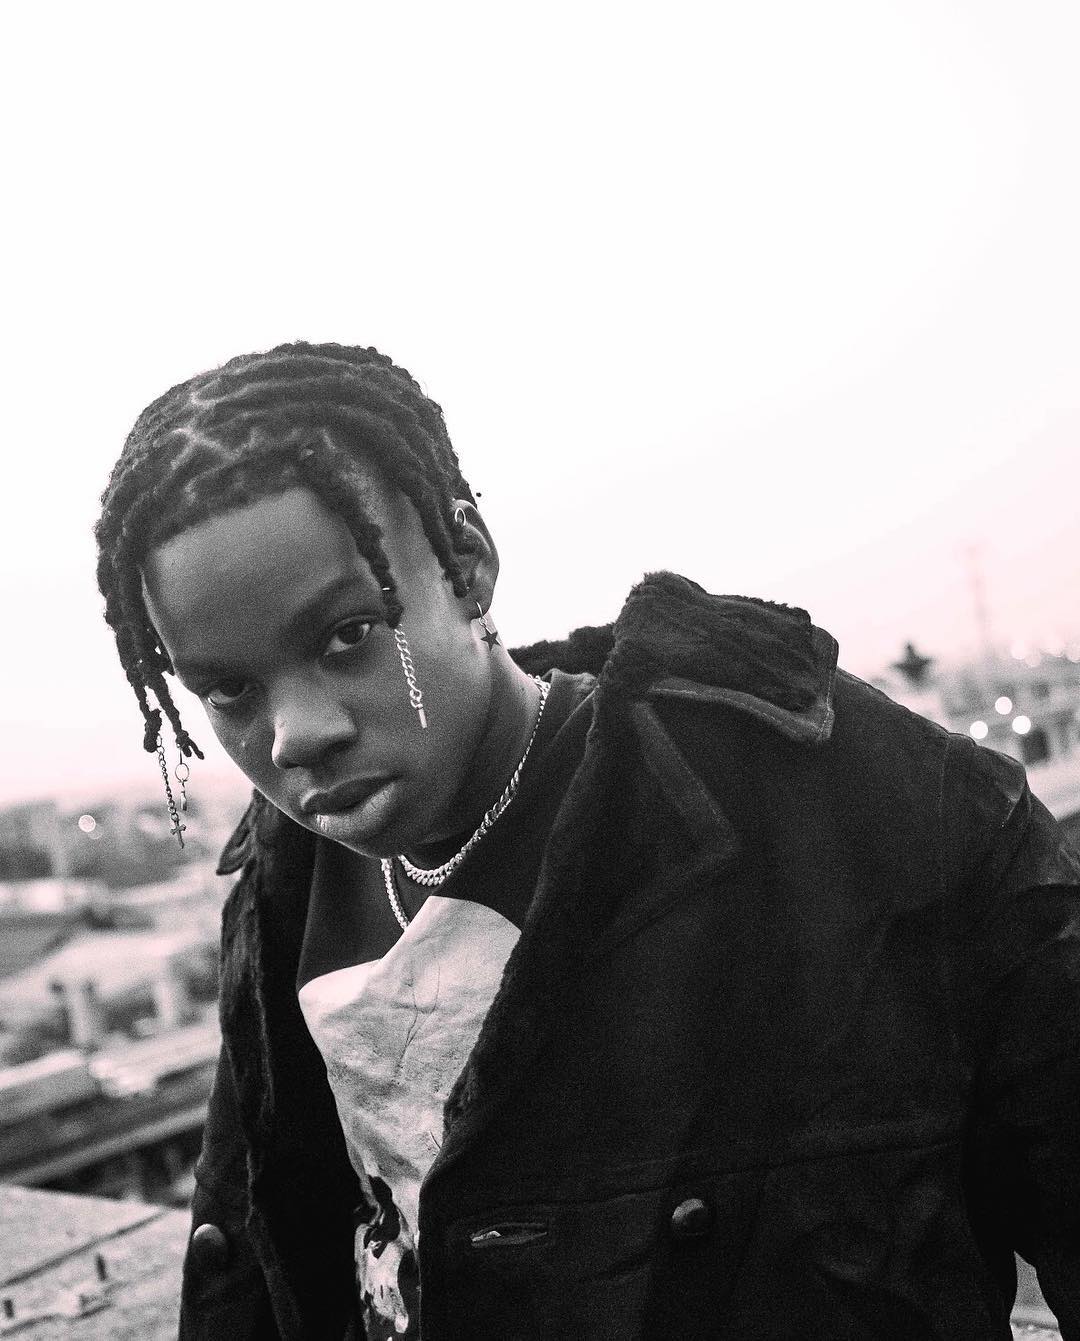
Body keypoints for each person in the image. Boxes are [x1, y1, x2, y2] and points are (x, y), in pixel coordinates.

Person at [94, 342, 1080, 1341]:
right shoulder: (280, 891)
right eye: (231, 690)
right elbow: (252, 1270)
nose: (296, 734)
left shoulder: (849, 805)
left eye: (348, 634)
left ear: (466, 564)